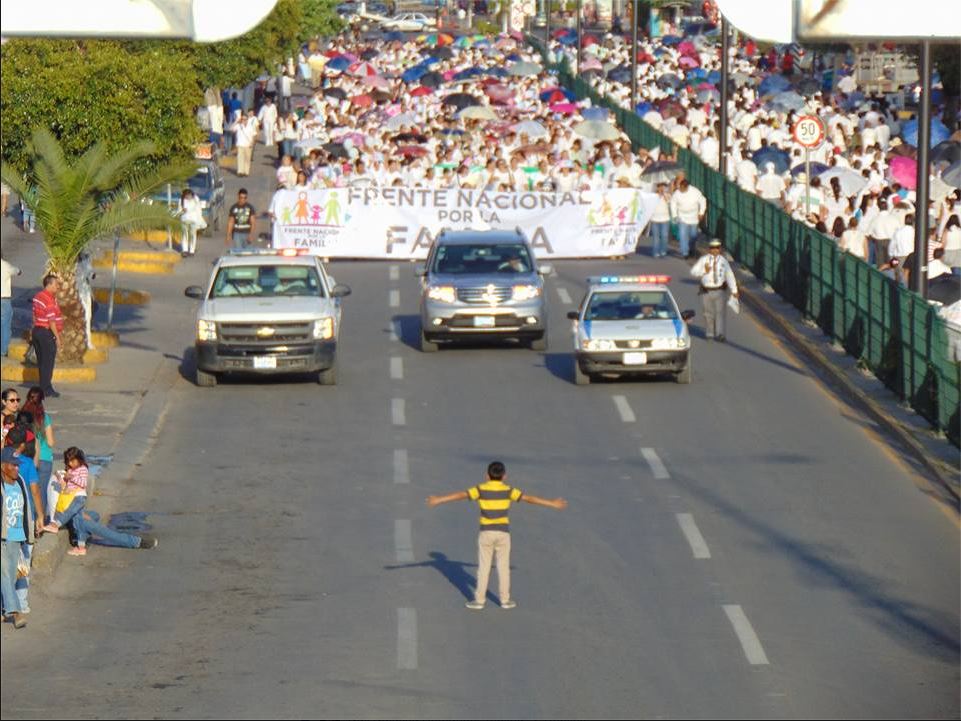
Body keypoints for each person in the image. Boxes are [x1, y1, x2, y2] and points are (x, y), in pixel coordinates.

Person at [426, 461, 567, 610]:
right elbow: (529, 499)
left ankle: (479, 601)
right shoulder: (508, 490)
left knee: (484, 567)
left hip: (486, 533)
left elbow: (461, 495)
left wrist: (438, 500)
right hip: (503, 533)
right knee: (503, 567)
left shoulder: (480, 489)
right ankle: (505, 601)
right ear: (504, 476)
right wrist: (552, 503)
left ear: (487, 476)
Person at [1, 446, 37, 628]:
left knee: (13, 575)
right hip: (3, 537)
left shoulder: (20, 481)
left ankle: (2, 609)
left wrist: (30, 534)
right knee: (5, 574)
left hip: (17, 536)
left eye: (17, 465)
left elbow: (27, 509)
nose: (16, 468)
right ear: (3, 466)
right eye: (13, 465)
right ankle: (15, 613)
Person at [42, 446, 90, 555]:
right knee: (78, 522)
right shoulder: (70, 469)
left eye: (73, 461)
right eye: (69, 461)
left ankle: (56, 525)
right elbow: (66, 486)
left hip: (79, 497)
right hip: (71, 497)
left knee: (68, 512)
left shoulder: (83, 469)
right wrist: (61, 478)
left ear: (79, 459)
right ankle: (81, 547)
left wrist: (71, 477)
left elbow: (83, 483)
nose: (71, 464)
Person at [690, 239, 739, 342]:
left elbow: (729, 275)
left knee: (720, 312)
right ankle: (710, 333)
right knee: (708, 312)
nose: (715, 250)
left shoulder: (723, 261)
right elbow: (694, 272)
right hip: (706, 290)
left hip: (719, 290)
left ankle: (720, 333)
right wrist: (704, 271)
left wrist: (734, 290)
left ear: (720, 249)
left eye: (717, 248)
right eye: (713, 248)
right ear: (709, 249)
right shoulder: (704, 260)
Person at [21, 387, 54, 518]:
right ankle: (40, 524)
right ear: (41, 401)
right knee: (41, 492)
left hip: (27, 457)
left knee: (28, 491)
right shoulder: (45, 417)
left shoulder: (22, 416)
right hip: (45, 458)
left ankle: (30, 520)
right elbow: (51, 442)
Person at [30, 273, 63, 398]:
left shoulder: (38, 296)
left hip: (37, 331)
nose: (58, 287)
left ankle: (43, 387)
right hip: (46, 333)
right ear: (48, 284)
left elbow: (34, 315)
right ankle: (46, 389)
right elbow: (51, 321)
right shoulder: (48, 299)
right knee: (48, 362)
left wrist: (33, 329)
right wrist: (58, 338)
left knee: (42, 362)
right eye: (56, 284)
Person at [670, 179, 707, 258]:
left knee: (693, 235)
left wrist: (701, 213)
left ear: (687, 187)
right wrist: (674, 215)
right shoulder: (677, 193)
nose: (681, 189)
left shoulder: (695, 192)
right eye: (680, 187)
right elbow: (673, 203)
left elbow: (703, 201)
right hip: (682, 217)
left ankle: (691, 249)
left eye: (683, 188)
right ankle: (685, 252)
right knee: (683, 235)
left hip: (694, 218)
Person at [1, 254, 21, 358]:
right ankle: (3, 351)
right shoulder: (5, 265)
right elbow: (17, 271)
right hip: (4, 300)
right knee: (5, 326)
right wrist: (19, 271)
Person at [178, 189, 206, 257]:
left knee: (193, 235)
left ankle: (191, 250)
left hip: (194, 220)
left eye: (189, 195)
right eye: (186, 196)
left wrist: (199, 220)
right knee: (184, 235)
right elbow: (179, 211)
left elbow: (199, 210)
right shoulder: (181, 200)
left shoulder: (196, 199)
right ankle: (185, 250)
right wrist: (182, 210)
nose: (188, 197)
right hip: (184, 220)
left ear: (191, 195)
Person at [649, 182, 672, 258]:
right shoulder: (652, 196)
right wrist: (657, 196)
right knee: (656, 237)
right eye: (659, 187)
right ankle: (655, 252)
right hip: (655, 219)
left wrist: (664, 195)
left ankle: (663, 250)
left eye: (663, 187)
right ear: (657, 187)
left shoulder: (667, 195)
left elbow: (669, 202)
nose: (661, 188)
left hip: (665, 219)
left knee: (664, 236)